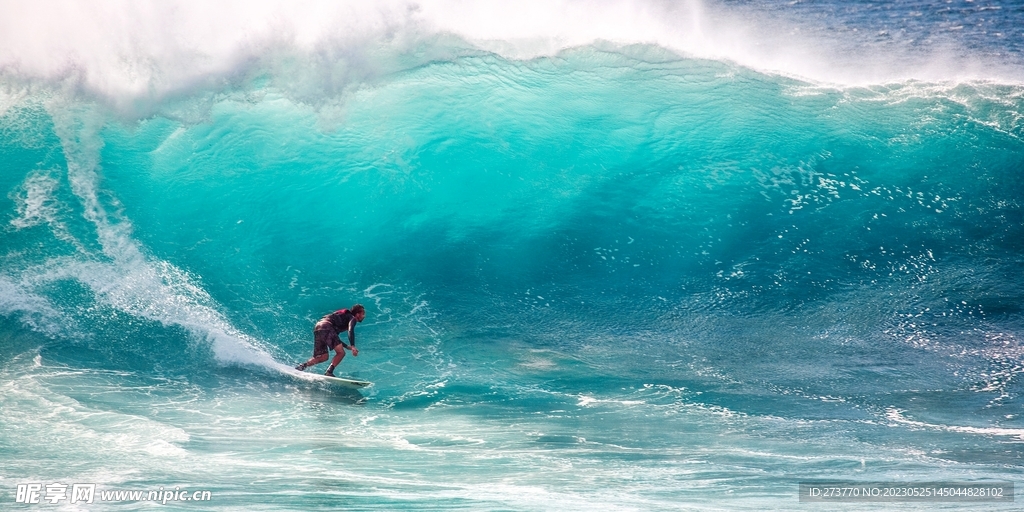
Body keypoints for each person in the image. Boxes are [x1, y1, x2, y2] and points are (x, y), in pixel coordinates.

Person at [295, 304, 365, 377]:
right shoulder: (352, 318)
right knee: (341, 353)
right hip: (327, 327)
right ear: (357, 314)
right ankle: (329, 371)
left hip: (318, 327)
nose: (364, 316)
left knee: (323, 357)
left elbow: (333, 336)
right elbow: (350, 330)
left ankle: (302, 366)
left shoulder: (344, 317)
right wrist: (353, 346)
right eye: (363, 314)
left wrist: (347, 346)